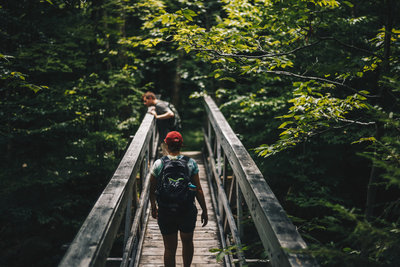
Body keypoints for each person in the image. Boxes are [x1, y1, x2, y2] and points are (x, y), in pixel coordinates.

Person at [149, 131, 208, 267]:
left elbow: (152, 189)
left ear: (166, 145)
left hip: (166, 210)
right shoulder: (191, 163)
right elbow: (198, 189)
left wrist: (153, 206)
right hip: (186, 210)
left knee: (169, 248)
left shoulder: (159, 164)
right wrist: (204, 210)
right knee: (187, 242)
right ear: (181, 145)